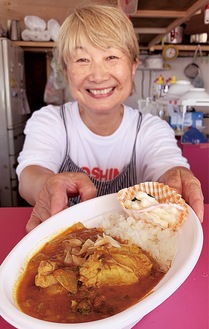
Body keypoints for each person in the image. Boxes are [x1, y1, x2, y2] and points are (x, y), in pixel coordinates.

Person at [16, 4, 204, 232]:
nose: (98, 75)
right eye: (82, 60)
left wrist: (177, 176)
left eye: (111, 56)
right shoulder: (50, 121)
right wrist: (46, 184)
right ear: (66, 71)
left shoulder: (151, 129)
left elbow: (167, 163)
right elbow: (30, 174)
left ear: (133, 66)